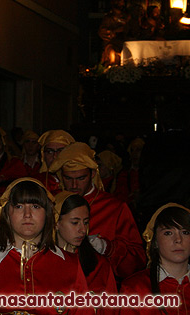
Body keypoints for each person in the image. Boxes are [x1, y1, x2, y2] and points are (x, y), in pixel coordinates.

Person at [0, 178, 91, 315]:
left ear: (47, 213)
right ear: (7, 213)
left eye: (35, 207)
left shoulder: (70, 265)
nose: (27, 215)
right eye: (19, 206)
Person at [50, 142, 145, 280]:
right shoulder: (52, 201)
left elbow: (137, 261)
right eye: (68, 178)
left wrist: (108, 248)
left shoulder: (115, 207)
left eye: (81, 178)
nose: (74, 185)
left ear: (93, 174)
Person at [120, 203, 190, 315]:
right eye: (168, 233)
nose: (178, 239)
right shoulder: (134, 288)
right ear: (155, 241)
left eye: (185, 232)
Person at [54, 191, 117, 309]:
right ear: (56, 222)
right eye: (75, 222)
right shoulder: (41, 261)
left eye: (86, 222)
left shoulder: (99, 265)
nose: (83, 229)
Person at [37, 129, 76, 194]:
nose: (55, 156)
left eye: (60, 151)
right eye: (50, 151)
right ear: (43, 156)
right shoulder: (37, 182)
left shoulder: (79, 183)